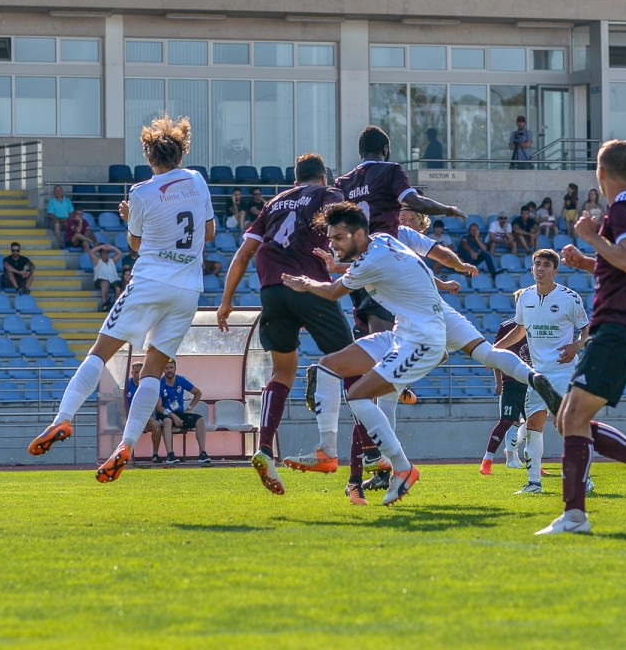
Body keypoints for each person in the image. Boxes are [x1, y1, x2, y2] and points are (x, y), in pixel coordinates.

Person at [311, 206, 550, 500]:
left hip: (422, 324)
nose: (405, 220)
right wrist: (451, 276)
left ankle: (383, 463)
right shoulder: (391, 239)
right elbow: (416, 267)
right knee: (378, 391)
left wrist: (459, 266)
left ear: (420, 224)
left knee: (369, 393)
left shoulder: (400, 237)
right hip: (421, 317)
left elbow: (437, 256)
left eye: (412, 217)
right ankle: (534, 377)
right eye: (403, 215)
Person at [28, 114, 215, 486]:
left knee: (99, 353)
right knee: (153, 369)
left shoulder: (141, 192)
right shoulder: (197, 181)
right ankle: (127, 445)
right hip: (187, 291)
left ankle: (62, 418)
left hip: (149, 283)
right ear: (181, 153)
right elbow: (208, 232)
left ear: (150, 157)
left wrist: (131, 217)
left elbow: (134, 245)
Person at [535, 138, 626, 535]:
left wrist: (591, 237)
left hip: (619, 326)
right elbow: (620, 264)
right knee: (568, 419)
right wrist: (587, 262)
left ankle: (575, 515)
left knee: (573, 417)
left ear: (599, 173)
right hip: (614, 324)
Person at [279, 202, 445, 506]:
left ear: (359, 234)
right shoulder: (383, 241)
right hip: (401, 334)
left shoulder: (373, 259)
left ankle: (403, 468)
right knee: (328, 367)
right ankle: (326, 453)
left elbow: (331, 293)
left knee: (357, 395)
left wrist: (304, 284)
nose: (333, 244)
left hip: (422, 342)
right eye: (331, 238)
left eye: (340, 238)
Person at [215, 152, 350, 497]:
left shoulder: (274, 204)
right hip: (309, 286)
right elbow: (348, 226)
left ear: (295, 180)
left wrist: (226, 301)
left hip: (272, 291)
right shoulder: (327, 194)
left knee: (282, 372)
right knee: (352, 362)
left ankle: (264, 449)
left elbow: (243, 253)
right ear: (322, 177)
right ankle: (364, 450)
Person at [335, 124, 465, 339]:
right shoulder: (390, 170)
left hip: (356, 263)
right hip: (382, 257)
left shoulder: (343, 182)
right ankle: (329, 370)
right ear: (386, 149)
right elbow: (416, 203)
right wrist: (447, 209)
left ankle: (350, 370)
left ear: (360, 152)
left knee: (367, 331)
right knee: (384, 337)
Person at [493, 249, 590, 494]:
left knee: (563, 425)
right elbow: (519, 331)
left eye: (546, 265)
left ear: (555, 270)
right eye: (537, 264)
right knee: (534, 426)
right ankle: (534, 483)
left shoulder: (569, 297)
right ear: (532, 267)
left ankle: (584, 478)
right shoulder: (524, 297)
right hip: (537, 375)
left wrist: (576, 344)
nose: (541, 268)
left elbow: (587, 331)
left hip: (563, 372)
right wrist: (493, 349)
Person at [480, 311, 530, 475]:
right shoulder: (508, 326)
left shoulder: (537, 324)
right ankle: (488, 460)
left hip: (531, 382)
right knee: (507, 421)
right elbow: (497, 354)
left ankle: (529, 461)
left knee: (533, 423)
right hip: (512, 382)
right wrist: (499, 381)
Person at [156, 360, 211, 465]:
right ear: (163, 370)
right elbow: (158, 407)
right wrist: (172, 415)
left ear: (175, 368)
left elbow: (198, 392)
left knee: (200, 420)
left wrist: (190, 408)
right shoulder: (160, 384)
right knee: (167, 421)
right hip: (165, 414)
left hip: (179, 413)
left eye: (171, 367)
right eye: (166, 368)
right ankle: (170, 455)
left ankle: (202, 453)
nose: (169, 370)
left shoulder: (181, 380)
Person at [124, 361, 166, 465]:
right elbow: (120, 403)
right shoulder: (126, 385)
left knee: (156, 425)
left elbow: (156, 403)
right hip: (128, 416)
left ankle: (155, 455)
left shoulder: (149, 385)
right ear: (132, 372)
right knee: (124, 425)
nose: (138, 375)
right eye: (136, 372)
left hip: (145, 417)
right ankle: (125, 456)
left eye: (140, 372)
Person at [90, 243, 123, 311]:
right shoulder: (97, 261)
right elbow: (91, 252)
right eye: (103, 252)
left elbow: (119, 253)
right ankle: (105, 305)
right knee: (105, 283)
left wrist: (111, 247)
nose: (105, 254)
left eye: (107, 253)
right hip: (100, 280)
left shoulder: (112, 261)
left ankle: (117, 305)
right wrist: (101, 246)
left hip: (113, 280)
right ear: (100, 254)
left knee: (118, 286)